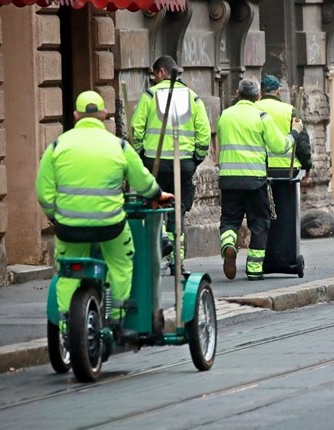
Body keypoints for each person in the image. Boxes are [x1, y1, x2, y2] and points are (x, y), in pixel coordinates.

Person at [36, 90, 173, 335]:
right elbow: (142, 180)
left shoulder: (57, 145)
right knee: (121, 262)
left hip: (69, 227)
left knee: (68, 271)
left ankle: (67, 325)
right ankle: (117, 317)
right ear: (104, 115)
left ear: (76, 115)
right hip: (110, 226)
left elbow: (43, 191)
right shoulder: (118, 145)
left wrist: (54, 215)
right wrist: (156, 194)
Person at [131, 56, 211, 274]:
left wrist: (140, 154)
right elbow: (204, 133)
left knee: (155, 203)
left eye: (154, 75)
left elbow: (136, 128)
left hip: (155, 162)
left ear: (161, 73)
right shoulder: (193, 98)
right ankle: (178, 259)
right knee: (178, 209)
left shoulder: (149, 96)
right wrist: (197, 158)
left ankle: (162, 240)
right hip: (183, 163)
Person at [217, 78, 301, 281]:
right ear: (258, 96)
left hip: (229, 179)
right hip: (255, 180)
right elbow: (279, 146)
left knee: (229, 219)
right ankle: (254, 270)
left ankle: (229, 245)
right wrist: (294, 134)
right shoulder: (262, 116)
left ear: (237, 93)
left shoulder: (225, 116)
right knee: (259, 223)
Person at [256, 74, 313, 179]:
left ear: (260, 93)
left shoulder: (253, 109)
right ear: (278, 91)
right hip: (287, 169)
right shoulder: (289, 110)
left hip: (259, 168)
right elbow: (301, 143)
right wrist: (307, 166)